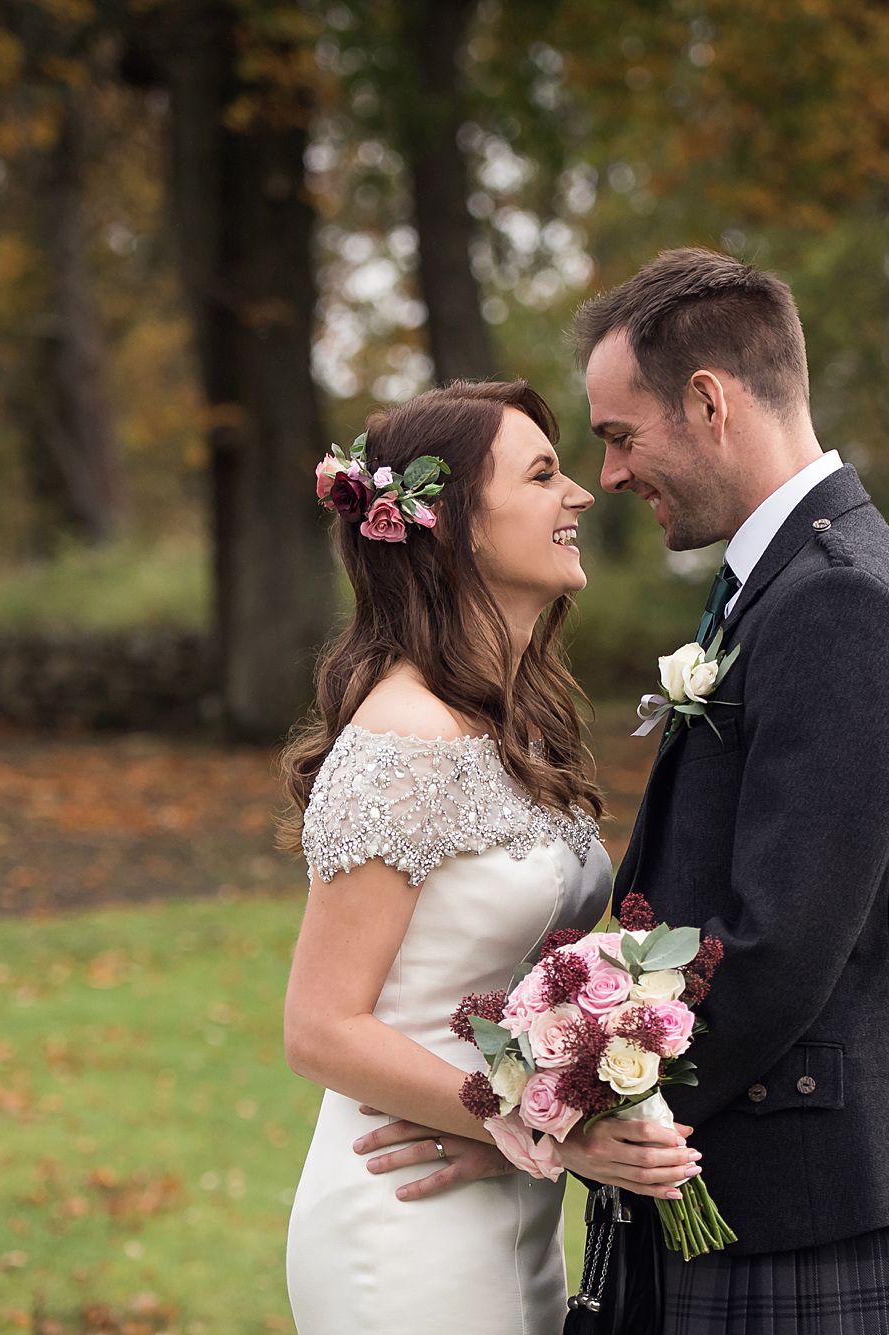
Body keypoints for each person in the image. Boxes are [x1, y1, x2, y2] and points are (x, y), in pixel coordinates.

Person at [555, 245, 889, 1332]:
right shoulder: (789, 583)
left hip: (793, 1211)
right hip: (756, 1190)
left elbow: (779, 942)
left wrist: (599, 1098)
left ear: (706, 400)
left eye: (618, 436)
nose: (609, 476)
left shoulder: (839, 601)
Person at [280, 380, 698, 1334]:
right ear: (460, 524)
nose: (582, 494)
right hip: (405, 1219)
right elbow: (320, 1025)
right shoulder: (403, 740)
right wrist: (560, 1124)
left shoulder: (515, 722)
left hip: (505, 1193)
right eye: (545, 473)